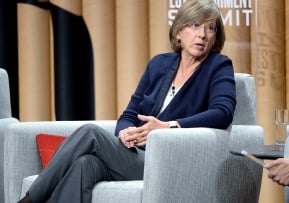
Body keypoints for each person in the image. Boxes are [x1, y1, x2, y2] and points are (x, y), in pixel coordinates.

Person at [18, 0, 236, 202]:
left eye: (211, 28)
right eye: (195, 26)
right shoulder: (159, 64)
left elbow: (223, 111)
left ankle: (30, 199)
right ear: (178, 32)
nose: (203, 35)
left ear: (216, 37)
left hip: (166, 160)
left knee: (90, 132)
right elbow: (129, 114)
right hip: (133, 154)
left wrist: (168, 127)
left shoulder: (218, 66)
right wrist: (124, 132)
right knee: (84, 165)